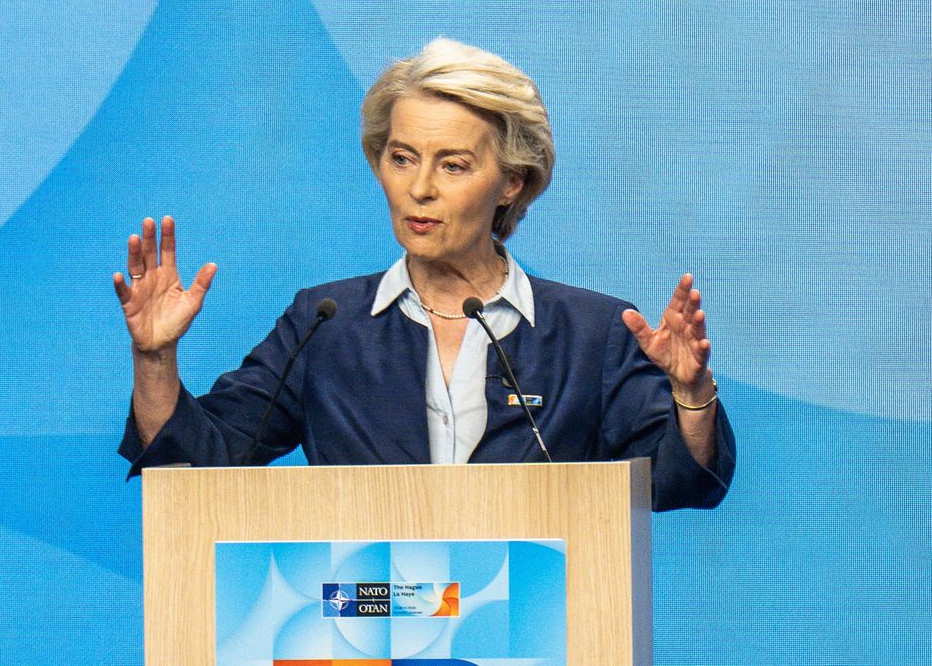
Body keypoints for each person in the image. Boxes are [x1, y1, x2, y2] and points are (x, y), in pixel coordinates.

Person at [113, 38, 734, 511]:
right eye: (401, 157)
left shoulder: (592, 332)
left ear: (511, 181)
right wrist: (154, 358)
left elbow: (678, 478)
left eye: (454, 165)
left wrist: (691, 393)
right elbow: (200, 464)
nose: (419, 189)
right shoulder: (324, 326)